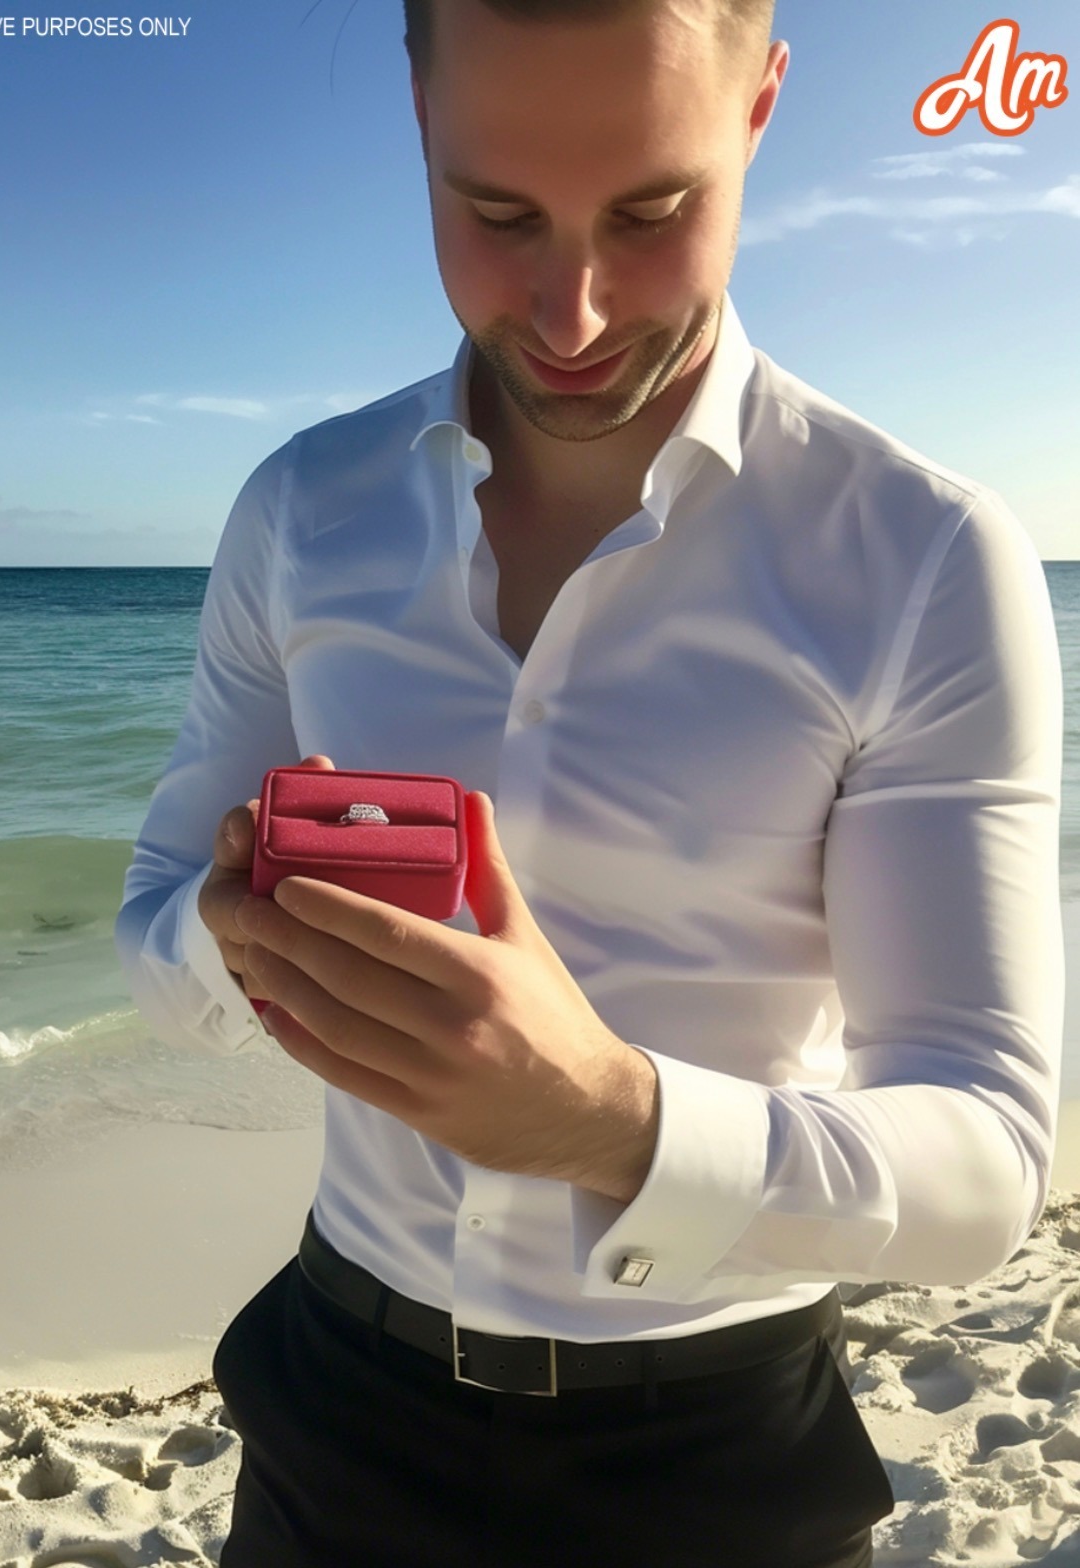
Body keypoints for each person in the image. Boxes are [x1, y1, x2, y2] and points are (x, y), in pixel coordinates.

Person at [114, 0, 1065, 1563]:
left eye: (649, 211)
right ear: (418, 113)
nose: (570, 312)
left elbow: (982, 1167)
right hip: (331, 1405)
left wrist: (611, 1123)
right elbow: (159, 935)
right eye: (497, 216)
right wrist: (242, 939)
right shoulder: (302, 509)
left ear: (758, 108)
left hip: (716, 1458)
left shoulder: (919, 556)